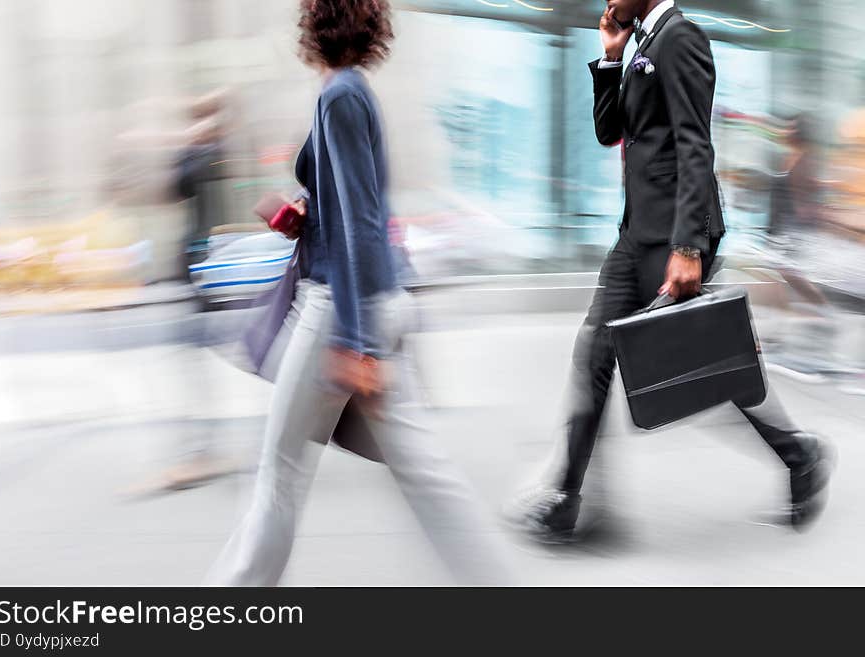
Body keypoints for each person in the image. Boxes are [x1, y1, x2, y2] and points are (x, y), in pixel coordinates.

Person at [205, 0, 511, 586]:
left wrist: (354, 343)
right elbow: (351, 210)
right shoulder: (351, 90)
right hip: (371, 302)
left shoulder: (340, 95)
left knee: (280, 476)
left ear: (316, 23)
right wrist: (307, 215)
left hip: (339, 311)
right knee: (425, 474)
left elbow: (361, 225)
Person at [509, 0, 836, 543]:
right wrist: (611, 60)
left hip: (673, 238)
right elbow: (609, 130)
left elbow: (695, 143)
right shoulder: (642, 43)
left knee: (703, 365)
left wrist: (687, 247)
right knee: (595, 353)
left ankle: (800, 454)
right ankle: (567, 497)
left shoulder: (681, 38)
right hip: (636, 234)